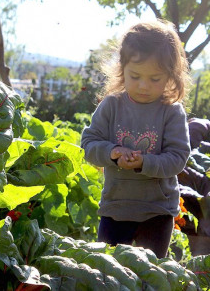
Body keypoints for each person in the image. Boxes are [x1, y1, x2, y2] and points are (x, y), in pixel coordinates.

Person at [81, 19, 191, 259]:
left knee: (148, 275)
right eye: (135, 76)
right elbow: (89, 144)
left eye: (155, 78)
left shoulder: (171, 111)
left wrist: (144, 163)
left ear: (171, 75)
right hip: (115, 208)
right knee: (109, 273)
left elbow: (178, 158)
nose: (144, 85)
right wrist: (112, 153)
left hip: (157, 212)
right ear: (122, 68)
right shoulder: (111, 105)